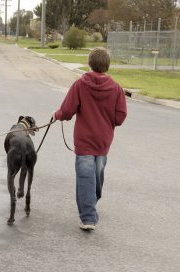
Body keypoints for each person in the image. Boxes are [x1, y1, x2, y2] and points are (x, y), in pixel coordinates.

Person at [52, 47, 127, 231]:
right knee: (97, 173)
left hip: (84, 140)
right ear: (108, 65)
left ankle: (88, 217)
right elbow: (120, 117)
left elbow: (68, 110)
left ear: (90, 63)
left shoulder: (80, 84)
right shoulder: (117, 89)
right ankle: (90, 209)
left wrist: (57, 114)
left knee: (87, 175)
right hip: (103, 140)